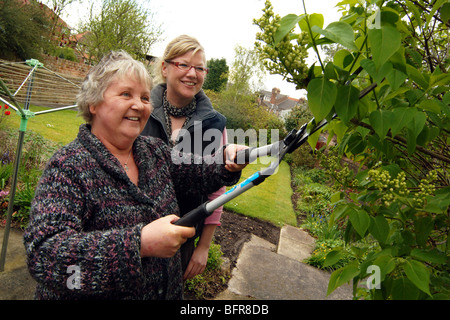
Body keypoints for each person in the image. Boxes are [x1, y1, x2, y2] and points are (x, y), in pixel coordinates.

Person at [23, 50, 246, 300]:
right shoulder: (68, 167)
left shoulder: (152, 150)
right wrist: (138, 244)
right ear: (93, 103)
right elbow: (45, 255)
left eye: (144, 97)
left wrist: (225, 159)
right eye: (126, 94)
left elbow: (195, 170)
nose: (139, 105)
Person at [141, 35, 228, 280]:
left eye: (199, 68)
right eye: (184, 65)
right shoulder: (140, 108)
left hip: (182, 238)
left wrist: (203, 247)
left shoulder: (215, 124)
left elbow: (216, 193)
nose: (192, 73)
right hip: (134, 229)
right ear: (164, 68)